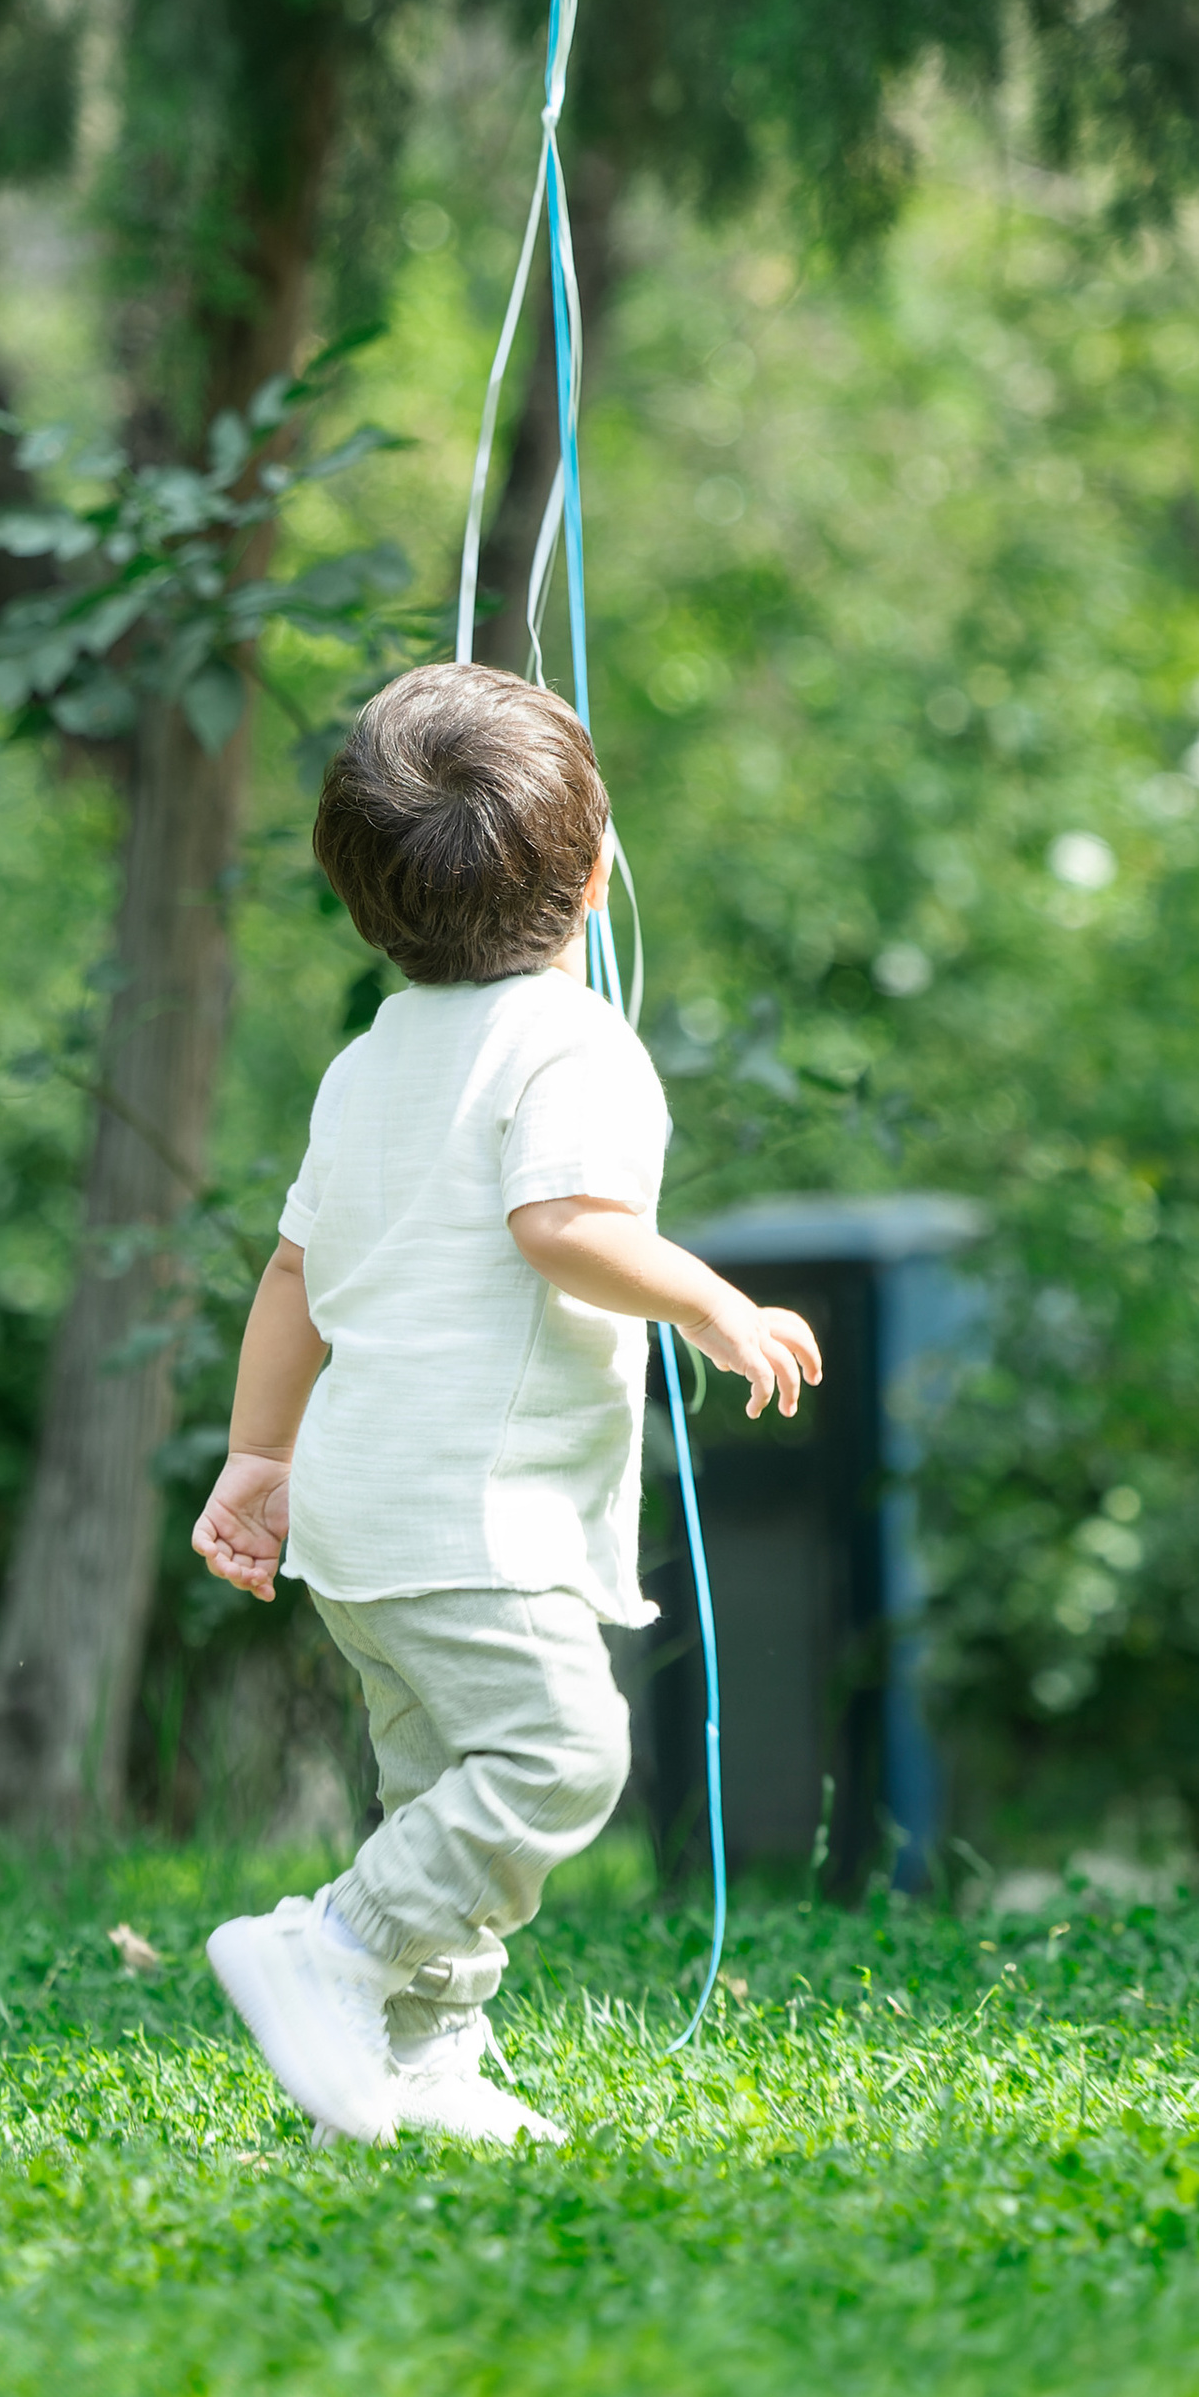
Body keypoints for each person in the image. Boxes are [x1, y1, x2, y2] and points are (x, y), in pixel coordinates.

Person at [191, 661, 821, 2147]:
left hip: (366, 1510)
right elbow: (563, 1225)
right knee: (554, 1758)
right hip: (478, 1519)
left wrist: (257, 1455)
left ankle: (425, 2064)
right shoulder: (574, 1043)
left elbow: (293, 1268)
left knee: (440, 1792)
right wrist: (712, 1302)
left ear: (362, 900)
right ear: (599, 876)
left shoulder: (369, 1061)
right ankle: (331, 1948)